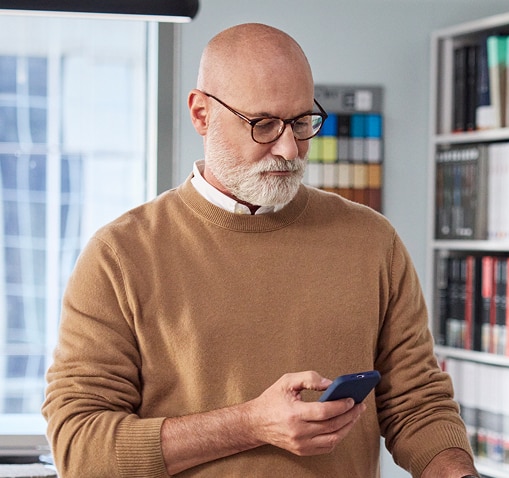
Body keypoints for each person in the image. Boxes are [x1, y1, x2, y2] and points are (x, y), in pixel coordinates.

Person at [41, 22, 480, 478]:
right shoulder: (119, 256)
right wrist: (249, 424)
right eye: (263, 125)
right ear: (201, 114)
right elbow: (80, 449)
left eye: (301, 122)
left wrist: (457, 472)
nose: (289, 148)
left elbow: (419, 406)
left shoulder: (372, 241)